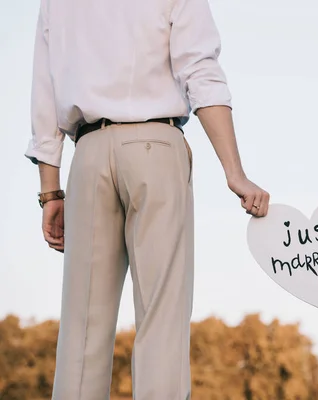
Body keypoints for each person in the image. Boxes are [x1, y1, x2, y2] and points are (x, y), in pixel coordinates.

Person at [26, 0, 269, 398]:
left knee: (81, 332)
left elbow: (44, 92)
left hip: (88, 152)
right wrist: (234, 172)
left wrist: (50, 189)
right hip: (156, 143)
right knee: (162, 321)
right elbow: (200, 70)